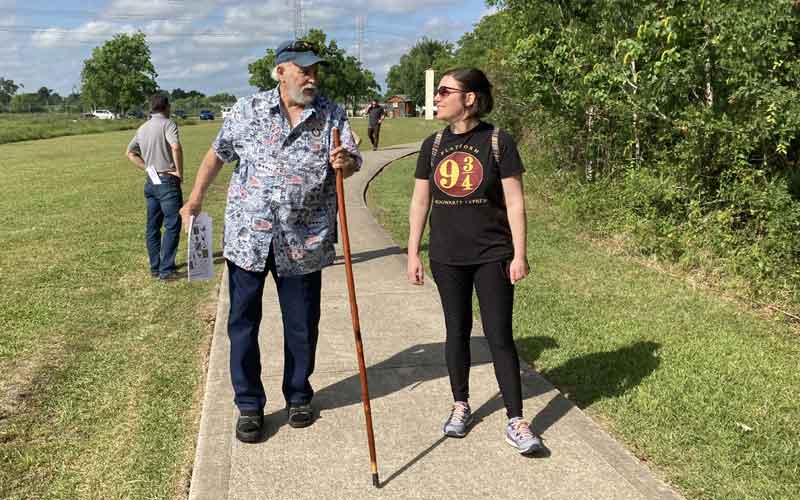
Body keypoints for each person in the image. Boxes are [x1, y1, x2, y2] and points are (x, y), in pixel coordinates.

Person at [179, 40, 361, 443]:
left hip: (304, 241)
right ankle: (248, 405)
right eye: (304, 70)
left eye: (316, 71)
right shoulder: (247, 111)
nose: (312, 78)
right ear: (280, 72)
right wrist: (194, 199)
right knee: (242, 324)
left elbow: (351, 160)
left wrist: (345, 164)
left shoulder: (331, 114)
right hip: (249, 237)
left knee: (301, 326)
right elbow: (216, 155)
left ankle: (298, 395)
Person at [406, 67, 545, 455]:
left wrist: (520, 253)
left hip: (492, 255)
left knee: (499, 335)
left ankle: (516, 420)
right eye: (437, 92)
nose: (437, 97)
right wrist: (413, 251)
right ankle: (461, 404)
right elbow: (421, 201)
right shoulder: (432, 146)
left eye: (445, 91)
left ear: (470, 98)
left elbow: (515, 201)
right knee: (457, 331)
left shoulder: (498, 141)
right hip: (447, 257)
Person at [126, 94, 184, 280]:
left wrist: (147, 168)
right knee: (172, 224)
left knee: (152, 226)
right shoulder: (168, 124)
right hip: (167, 179)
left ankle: (155, 267)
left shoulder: (142, 128)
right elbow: (175, 146)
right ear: (166, 106)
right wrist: (179, 172)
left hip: (151, 181)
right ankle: (166, 270)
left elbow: (129, 153)